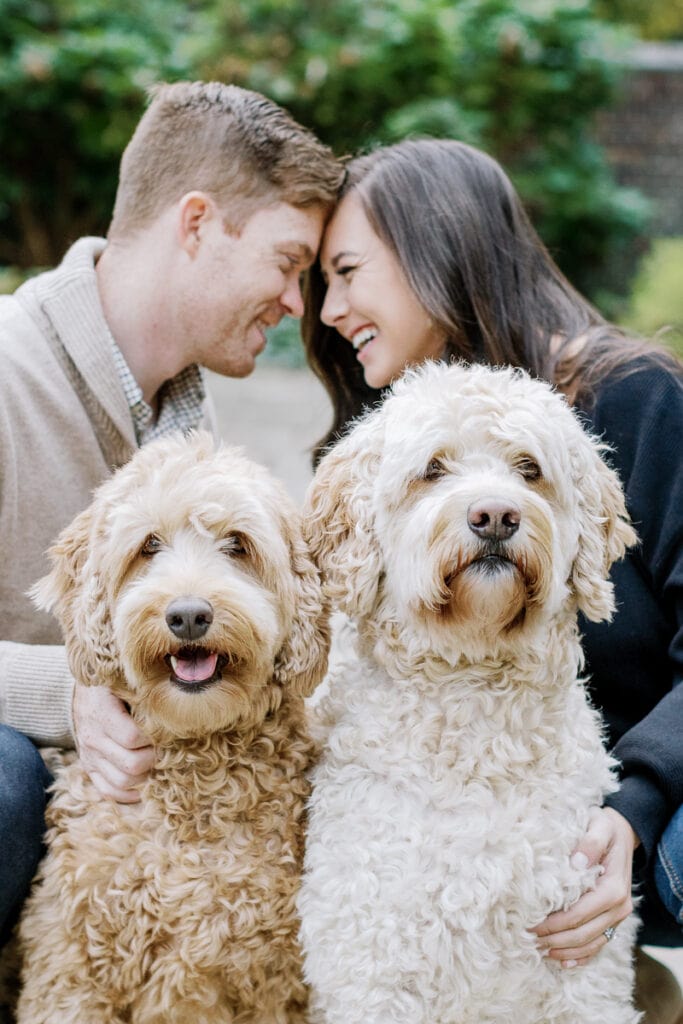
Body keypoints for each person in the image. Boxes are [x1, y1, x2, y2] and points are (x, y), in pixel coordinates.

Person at [301, 138, 683, 1022]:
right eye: (323, 281)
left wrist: (633, 807)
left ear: (436, 248)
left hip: (640, 806)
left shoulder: (635, 402)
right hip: (486, 826)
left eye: (349, 271)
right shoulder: (377, 451)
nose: (331, 308)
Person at [0, 79, 343, 948]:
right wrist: (63, 696)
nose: (297, 305)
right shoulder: (8, 370)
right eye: (288, 262)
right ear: (196, 225)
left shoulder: (187, 419)